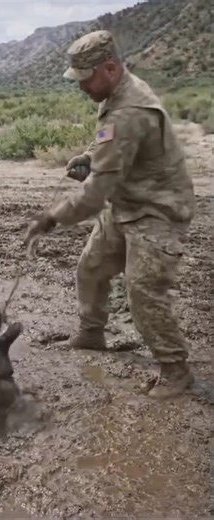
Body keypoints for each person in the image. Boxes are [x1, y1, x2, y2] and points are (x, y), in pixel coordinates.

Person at [24, 30, 196, 399]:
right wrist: (90, 156)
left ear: (111, 68)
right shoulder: (118, 93)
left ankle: (175, 371)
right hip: (128, 200)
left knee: (144, 289)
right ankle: (91, 332)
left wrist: (50, 218)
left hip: (157, 209)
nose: (82, 87)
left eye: (86, 79)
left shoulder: (130, 111)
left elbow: (94, 195)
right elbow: (109, 144)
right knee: (92, 267)